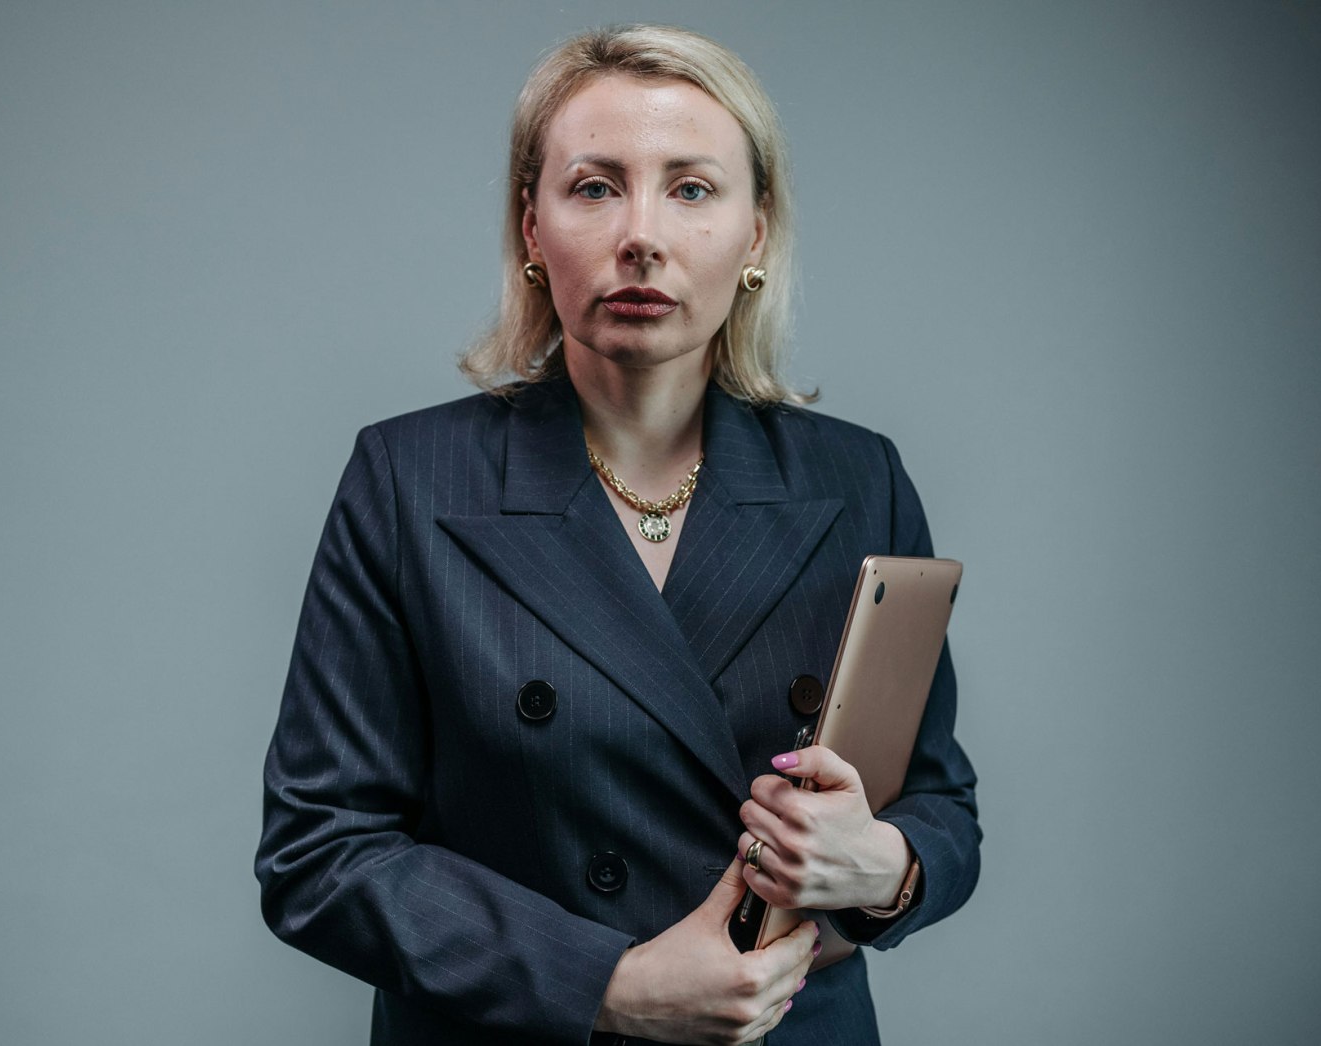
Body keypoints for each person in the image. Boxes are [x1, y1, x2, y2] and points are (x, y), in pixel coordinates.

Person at [255, 24, 980, 1046]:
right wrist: (612, 980)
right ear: (530, 228)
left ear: (756, 233)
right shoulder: (407, 478)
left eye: (691, 188)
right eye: (595, 187)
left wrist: (883, 868)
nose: (640, 232)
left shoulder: (856, 477)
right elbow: (317, 852)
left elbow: (940, 800)